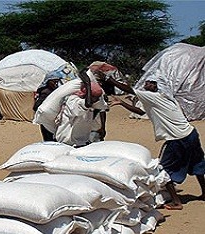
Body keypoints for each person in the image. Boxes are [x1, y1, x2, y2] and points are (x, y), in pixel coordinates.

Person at [106, 75, 205, 210]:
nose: (146, 84)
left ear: (156, 85)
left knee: (162, 168)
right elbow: (141, 112)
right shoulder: (165, 99)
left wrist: (110, 79)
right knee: (197, 162)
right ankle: (204, 193)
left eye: (149, 83)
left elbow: (129, 90)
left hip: (176, 138)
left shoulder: (155, 97)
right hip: (191, 134)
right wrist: (122, 103)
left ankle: (176, 202)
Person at [54, 76, 108, 148]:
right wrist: (88, 85)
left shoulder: (93, 103)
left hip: (82, 142)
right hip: (67, 143)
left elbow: (102, 106)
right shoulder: (73, 100)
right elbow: (86, 104)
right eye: (94, 97)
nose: (96, 99)